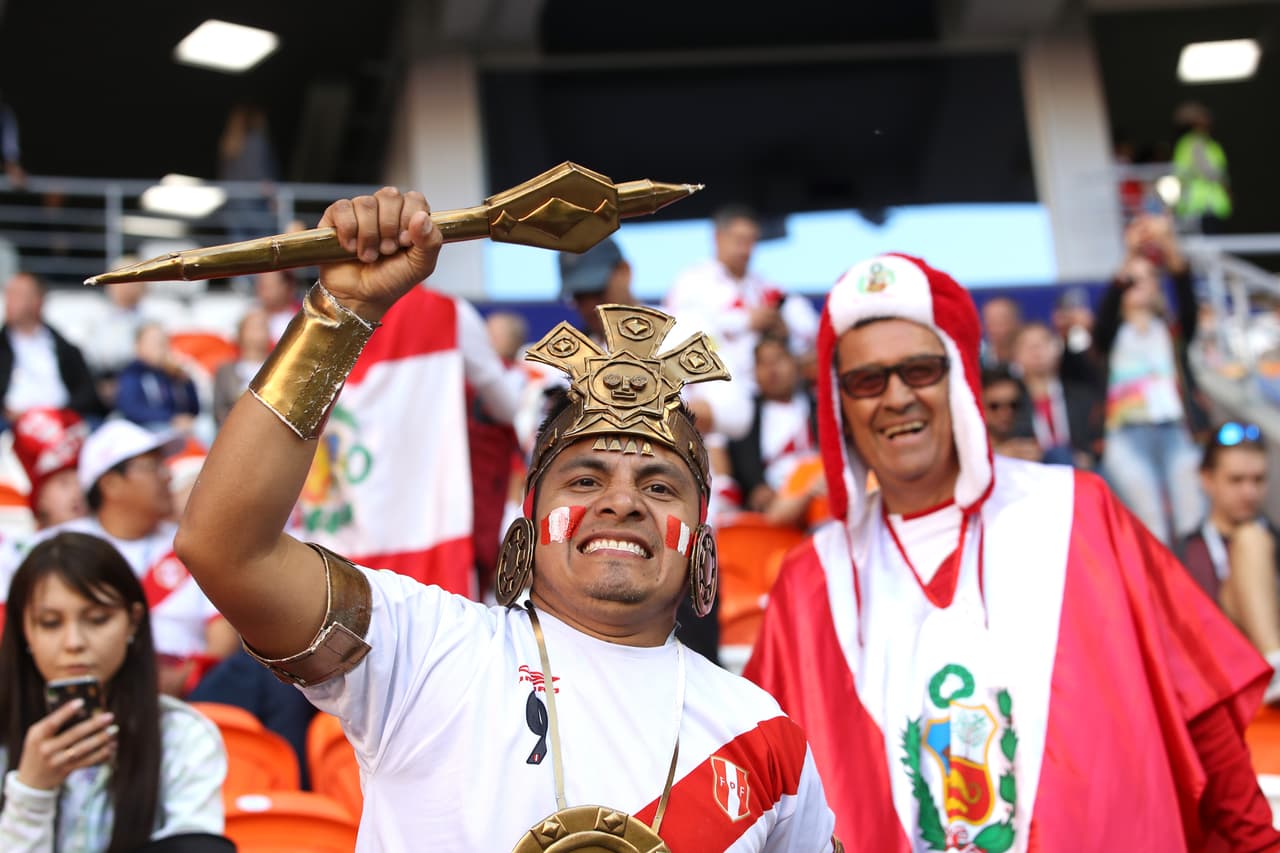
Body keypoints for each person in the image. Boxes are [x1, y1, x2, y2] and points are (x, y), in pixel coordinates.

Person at [175, 187, 839, 850]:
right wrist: (341, 310)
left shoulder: (766, 739)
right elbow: (226, 549)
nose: (622, 500)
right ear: (523, 528)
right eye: (584, 478)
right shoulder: (424, 649)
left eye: (661, 484)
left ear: (701, 542)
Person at [745, 252, 1278, 849]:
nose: (896, 398)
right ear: (840, 404)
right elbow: (765, 797)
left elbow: (1199, 711)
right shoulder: (810, 582)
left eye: (920, 370)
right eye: (866, 381)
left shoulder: (1078, 511)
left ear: (960, 380)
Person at [0, 531, 226, 850]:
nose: (74, 642)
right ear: (25, 630)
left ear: (133, 621)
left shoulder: (182, 736)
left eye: (97, 619)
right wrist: (32, 791)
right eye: (50, 623)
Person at [4, 420, 239, 697]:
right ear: (111, 484)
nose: (167, 476)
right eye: (153, 467)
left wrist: (188, 677)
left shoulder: (194, 544)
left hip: (193, 694)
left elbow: (222, 633)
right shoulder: (51, 550)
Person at [1095, 213, 1205, 546]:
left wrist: (1167, 243)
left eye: (1148, 278)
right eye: (1133, 280)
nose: (1139, 284)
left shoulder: (1171, 330)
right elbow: (1105, 313)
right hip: (1126, 436)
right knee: (1150, 526)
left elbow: (1186, 294)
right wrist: (1129, 254)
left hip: (1174, 429)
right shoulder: (1111, 335)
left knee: (1192, 519)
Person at [663, 206, 818, 394]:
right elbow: (678, 336)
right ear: (718, 237)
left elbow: (809, 331)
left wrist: (783, 330)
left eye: (751, 241)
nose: (745, 249)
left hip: (762, 397)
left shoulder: (763, 286)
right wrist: (746, 321)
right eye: (739, 240)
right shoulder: (693, 281)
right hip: (713, 395)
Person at [1182, 422, 1280, 702]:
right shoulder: (1180, 554)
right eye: (1236, 480)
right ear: (1207, 479)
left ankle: (1274, 665)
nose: (1249, 492)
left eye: (1258, 480)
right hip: (1219, 685)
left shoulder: (1273, 541)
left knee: (1251, 538)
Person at [0, 273, 101, 431]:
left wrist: (58, 413)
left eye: (19, 295)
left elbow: (87, 392)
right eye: (9, 293)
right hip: (10, 423)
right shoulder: (3, 345)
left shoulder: (64, 347)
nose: (10, 300)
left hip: (62, 421)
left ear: (38, 301)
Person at [727, 334, 816, 515]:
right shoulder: (744, 415)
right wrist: (756, 488)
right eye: (763, 363)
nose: (772, 369)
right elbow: (742, 464)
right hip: (771, 509)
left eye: (778, 360)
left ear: (794, 364)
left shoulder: (819, 407)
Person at [1009, 322, 1102, 467]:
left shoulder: (1082, 396)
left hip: (1081, 472)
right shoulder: (1007, 403)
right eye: (1028, 346)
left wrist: (1089, 456)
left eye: (1043, 343)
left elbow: (1097, 440)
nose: (1036, 350)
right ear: (1015, 356)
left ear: (1057, 349)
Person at [115, 323, 200, 435]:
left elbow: (194, 408)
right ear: (138, 346)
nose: (159, 347)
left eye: (163, 342)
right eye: (153, 342)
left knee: (204, 428)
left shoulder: (174, 373)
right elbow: (131, 408)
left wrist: (186, 382)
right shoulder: (132, 373)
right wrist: (170, 418)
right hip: (147, 428)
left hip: (179, 425)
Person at [211, 308, 271, 427]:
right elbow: (219, 409)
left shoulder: (277, 369)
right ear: (241, 332)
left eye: (262, 327)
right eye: (252, 327)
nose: (258, 332)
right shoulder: (226, 371)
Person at [979, 366, 1040, 462]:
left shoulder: (1027, 448)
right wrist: (998, 455)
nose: (1006, 413)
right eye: (994, 406)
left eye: (1013, 405)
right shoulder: (966, 451)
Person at [978, 296, 1021, 369]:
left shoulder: (1031, 359)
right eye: (992, 321)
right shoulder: (978, 360)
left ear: (1016, 322)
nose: (998, 328)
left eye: (1003, 320)